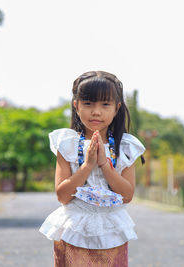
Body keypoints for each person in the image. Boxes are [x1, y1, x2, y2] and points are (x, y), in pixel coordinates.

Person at [39, 71, 145, 267]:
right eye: (88, 104)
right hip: (73, 230)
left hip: (112, 231)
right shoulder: (67, 144)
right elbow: (63, 196)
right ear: (76, 105)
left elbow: (127, 195)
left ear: (117, 108)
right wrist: (87, 166)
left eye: (105, 104)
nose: (96, 111)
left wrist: (105, 165)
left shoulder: (125, 146)